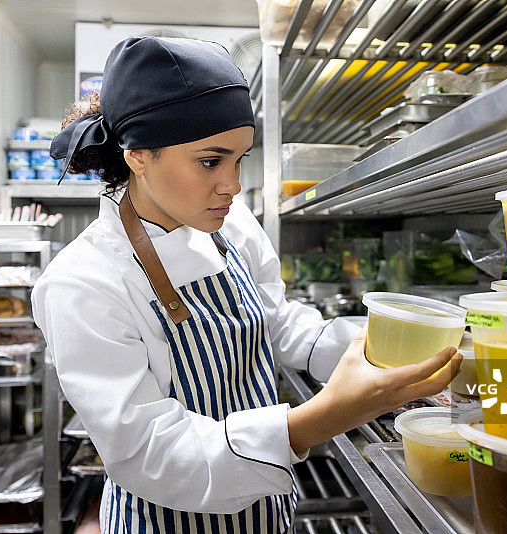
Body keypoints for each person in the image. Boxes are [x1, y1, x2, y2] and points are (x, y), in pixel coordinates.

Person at [32, 36, 461, 534]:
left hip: (267, 508)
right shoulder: (83, 283)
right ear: (138, 155)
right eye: (211, 161)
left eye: (240, 160)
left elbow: (279, 324)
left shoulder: (230, 225)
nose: (233, 185)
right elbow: (148, 452)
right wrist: (318, 419)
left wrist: (390, 346)